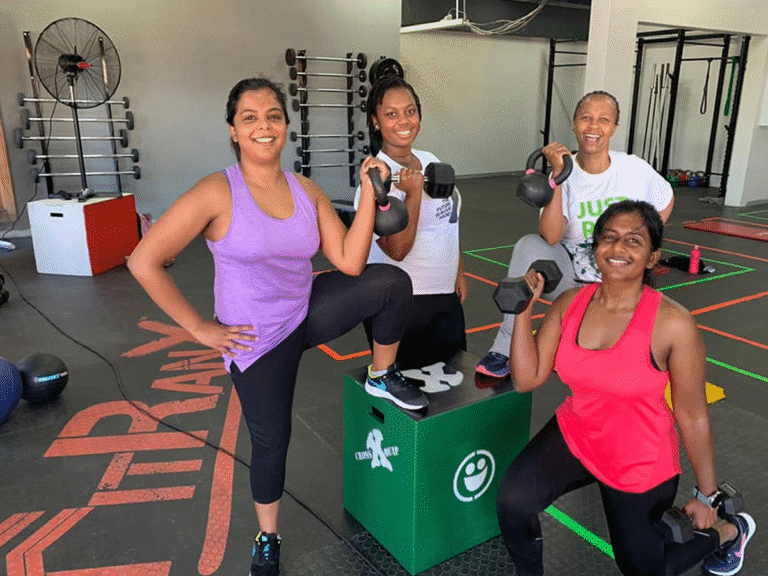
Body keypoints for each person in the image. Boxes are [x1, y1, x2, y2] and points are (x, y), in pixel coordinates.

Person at [127, 77, 429, 576]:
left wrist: (367, 193)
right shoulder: (216, 191)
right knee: (272, 442)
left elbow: (351, 262)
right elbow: (145, 260)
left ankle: (381, 374)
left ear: (286, 126)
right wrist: (201, 329)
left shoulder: (305, 189)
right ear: (233, 130)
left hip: (304, 309)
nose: (263, 126)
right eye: (250, 118)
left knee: (390, 282)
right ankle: (268, 537)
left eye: (273, 116)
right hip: (256, 340)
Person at [496, 200, 754, 576]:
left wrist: (706, 495)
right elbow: (526, 379)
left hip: (639, 461)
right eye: (608, 238)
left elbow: (692, 415)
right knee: (513, 500)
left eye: (633, 241)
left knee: (643, 568)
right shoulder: (569, 304)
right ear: (595, 248)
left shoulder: (673, 324)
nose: (617, 249)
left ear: (653, 257)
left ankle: (730, 531)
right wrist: (521, 312)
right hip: (577, 436)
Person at [476, 90, 675, 378]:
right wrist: (557, 178)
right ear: (574, 123)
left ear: (614, 128)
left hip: (620, 282)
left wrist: (643, 243)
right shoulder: (563, 170)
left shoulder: (633, 168)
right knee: (528, 245)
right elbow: (552, 236)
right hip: (571, 280)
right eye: (586, 118)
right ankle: (505, 347)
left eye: (603, 120)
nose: (593, 127)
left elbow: (665, 199)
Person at [353, 74, 467, 370]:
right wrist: (413, 196)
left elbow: (450, 220)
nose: (403, 121)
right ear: (376, 121)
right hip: (402, 303)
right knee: (407, 396)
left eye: (410, 111)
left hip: (444, 296)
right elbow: (397, 250)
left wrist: (458, 271)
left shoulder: (430, 159)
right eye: (391, 114)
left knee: (452, 385)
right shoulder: (375, 181)